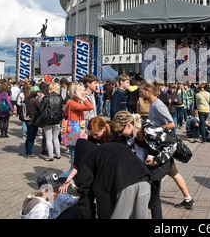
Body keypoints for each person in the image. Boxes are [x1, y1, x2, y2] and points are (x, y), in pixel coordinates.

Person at [140, 81, 195, 210]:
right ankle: (188, 199)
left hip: (163, 146)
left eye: (141, 90)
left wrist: (154, 130)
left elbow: (171, 124)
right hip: (162, 146)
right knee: (174, 173)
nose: (139, 93)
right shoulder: (154, 104)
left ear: (149, 91)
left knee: (154, 174)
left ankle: (151, 200)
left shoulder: (158, 105)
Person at [112, 111, 175, 219]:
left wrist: (157, 159)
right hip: (150, 163)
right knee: (154, 196)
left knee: (150, 183)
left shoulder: (148, 129)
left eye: (120, 131)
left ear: (128, 125)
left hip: (164, 162)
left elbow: (172, 144)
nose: (120, 134)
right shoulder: (131, 134)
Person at [76, 140, 152, 219]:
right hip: (145, 181)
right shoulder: (104, 152)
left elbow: (85, 193)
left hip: (124, 186)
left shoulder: (86, 160)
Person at [60, 82, 94, 178]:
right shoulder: (72, 103)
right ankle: (59, 180)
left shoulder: (74, 103)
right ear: (76, 92)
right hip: (75, 134)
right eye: (82, 91)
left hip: (76, 133)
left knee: (76, 162)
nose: (84, 92)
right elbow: (90, 107)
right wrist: (82, 98)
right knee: (74, 166)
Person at [40, 82, 65, 161]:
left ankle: (50, 155)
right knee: (55, 138)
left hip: (47, 120)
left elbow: (41, 109)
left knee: (48, 138)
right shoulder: (60, 98)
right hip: (57, 120)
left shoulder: (46, 98)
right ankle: (58, 153)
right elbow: (62, 109)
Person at [24, 85, 42, 158]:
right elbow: (40, 108)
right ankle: (29, 153)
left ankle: (27, 152)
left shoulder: (27, 99)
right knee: (31, 137)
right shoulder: (35, 100)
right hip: (33, 120)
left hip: (27, 120)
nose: (39, 93)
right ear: (36, 92)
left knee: (28, 137)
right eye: (38, 91)